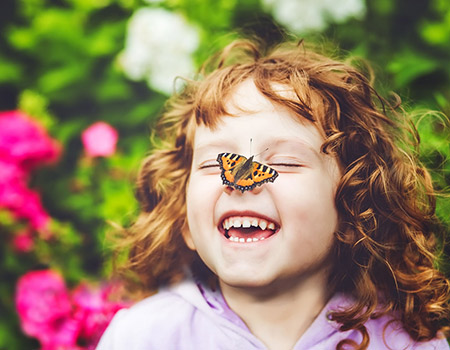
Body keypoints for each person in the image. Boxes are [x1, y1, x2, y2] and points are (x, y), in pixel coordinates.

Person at [96, 39, 450, 350]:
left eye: (284, 162)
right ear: (184, 219)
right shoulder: (142, 338)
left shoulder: (404, 342)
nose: (241, 181)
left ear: (353, 209)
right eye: (215, 164)